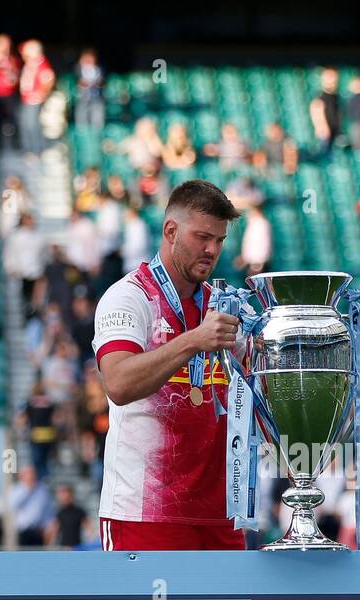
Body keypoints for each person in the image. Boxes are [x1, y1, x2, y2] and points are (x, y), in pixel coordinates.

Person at [91, 181, 247, 550]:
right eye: (202, 237)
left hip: (221, 514)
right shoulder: (129, 297)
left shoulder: (225, 307)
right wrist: (194, 339)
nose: (212, 250)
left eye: (220, 240)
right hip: (146, 511)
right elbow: (118, 382)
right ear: (171, 231)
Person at [17, 40, 55, 156]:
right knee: (26, 123)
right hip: (27, 98)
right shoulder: (31, 63)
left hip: (34, 99)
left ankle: (37, 149)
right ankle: (28, 148)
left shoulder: (41, 64)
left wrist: (42, 94)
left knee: (32, 124)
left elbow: (48, 79)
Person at [9, 465, 54, 546]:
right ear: (22, 476)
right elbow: (14, 505)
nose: (31, 476)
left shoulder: (42, 489)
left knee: (38, 557)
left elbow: (47, 509)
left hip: (39, 531)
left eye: (33, 473)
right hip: (23, 530)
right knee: (23, 557)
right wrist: (28, 489)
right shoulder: (16, 489)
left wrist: (47, 526)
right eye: (28, 473)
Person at [308, 68, 341, 156]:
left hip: (335, 131)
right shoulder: (321, 97)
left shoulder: (336, 97)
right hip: (326, 133)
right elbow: (316, 111)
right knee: (325, 156)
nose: (333, 82)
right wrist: (321, 127)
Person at [235, 200, 272, 277]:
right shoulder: (254, 223)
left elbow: (263, 246)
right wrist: (244, 258)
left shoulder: (261, 224)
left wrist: (257, 265)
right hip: (252, 264)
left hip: (257, 265)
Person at [73, 48, 105, 133]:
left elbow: (103, 83)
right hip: (83, 98)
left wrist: (97, 83)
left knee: (97, 120)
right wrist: (83, 84)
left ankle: (96, 134)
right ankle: (82, 135)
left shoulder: (99, 69)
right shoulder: (78, 69)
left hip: (96, 98)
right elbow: (77, 82)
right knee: (81, 120)